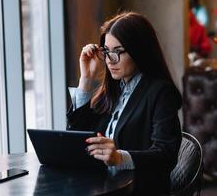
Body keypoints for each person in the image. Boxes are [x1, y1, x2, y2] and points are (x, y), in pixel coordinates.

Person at [67, 12, 182, 195]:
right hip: (104, 187)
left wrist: (120, 158)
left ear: (139, 51)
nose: (110, 61)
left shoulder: (161, 93)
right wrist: (86, 80)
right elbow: (77, 136)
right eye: (106, 52)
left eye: (118, 52)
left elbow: (166, 154)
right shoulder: (114, 89)